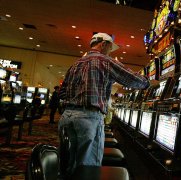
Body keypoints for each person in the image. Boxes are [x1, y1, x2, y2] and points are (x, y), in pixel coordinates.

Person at [58, 32, 150, 176]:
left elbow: (62, 93)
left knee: (69, 164)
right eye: (110, 48)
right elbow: (131, 78)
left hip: (67, 116)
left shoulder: (76, 63)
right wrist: (149, 84)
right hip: (88, 117)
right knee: (88, 168)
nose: (110, 52)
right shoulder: (104, 60)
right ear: (104, 44)